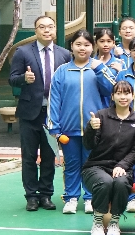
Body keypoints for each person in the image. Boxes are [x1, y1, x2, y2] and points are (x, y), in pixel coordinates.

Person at [47, 30, 115, 214]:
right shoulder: (62, 71)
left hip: (95, 129)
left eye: (86, 45)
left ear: (92, 47)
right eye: (78, 44)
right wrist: (54, 127)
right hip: (68, 130)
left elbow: (112, 90)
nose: (82, 48)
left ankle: (90, 198)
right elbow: (54, 100)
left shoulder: (99, 68)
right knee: (71, 165)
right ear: (72, 47)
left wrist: (100, 68)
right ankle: (71, 198)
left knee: (91, 165)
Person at [9, 15, 71, 211]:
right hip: (29, 114)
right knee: (28, 157)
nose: (46, 30)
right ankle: (31, 196)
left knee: (49, 156)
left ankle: (45, 195)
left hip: (53, 115)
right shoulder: (23, 52)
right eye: (42, 27)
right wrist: (24, 78)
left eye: (50, 27)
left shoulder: (65, 54)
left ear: (55, 30)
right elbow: (12, 78)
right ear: (35, 30)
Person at [81, 82, 135, 235]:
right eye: (119, 93)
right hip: (95, 166)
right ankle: (98, 222)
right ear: (113, 96)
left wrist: (122, 165)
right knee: (105, 182)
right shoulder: (100, 116)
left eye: (126, 93)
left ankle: (114, 222)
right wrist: (91, 129)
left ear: (133, 96)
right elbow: (88, 145)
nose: (123, 97)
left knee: (121, 183)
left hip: (123, 168)